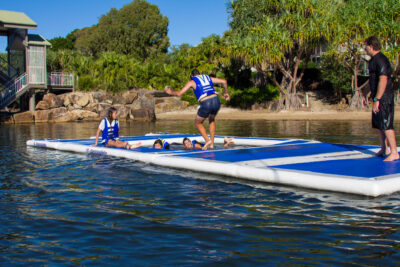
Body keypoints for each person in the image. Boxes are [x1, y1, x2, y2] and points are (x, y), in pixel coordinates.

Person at [165, 69, 230, 150]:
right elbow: (224, 81)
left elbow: (179, 93)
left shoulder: (192, 82)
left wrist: (170, 92)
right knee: (212, 120)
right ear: (199, 74)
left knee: (198, 123)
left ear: (192, 76)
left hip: (206, 102)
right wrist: (226, 93)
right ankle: (212, 144)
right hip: (216, 100)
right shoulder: (207, 77)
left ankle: (208, 140)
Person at [365, 36, 399, 161]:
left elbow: (383, 79)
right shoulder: (373, 60)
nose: (364, 48)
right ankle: (384, 149)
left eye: (365, 46)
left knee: (386, 124)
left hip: (384, 98)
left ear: (370, 46)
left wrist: (377, 99)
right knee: (379, 124)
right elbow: (373, 79)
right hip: (377, 97)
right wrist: (366, 93)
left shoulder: (381, 60)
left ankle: (394, 152)